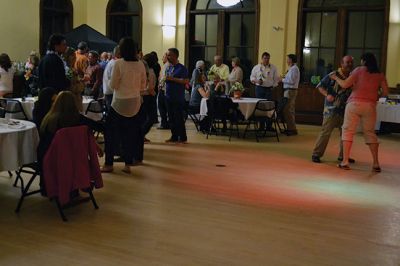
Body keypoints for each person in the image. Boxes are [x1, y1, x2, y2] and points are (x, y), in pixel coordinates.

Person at [330, 53, 388, 172]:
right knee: (370, 133)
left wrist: (335, 78)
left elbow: (345, 84)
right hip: (370, 106)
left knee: (348, 131)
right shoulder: (380, 74)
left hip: (354, 104)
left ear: (364, 61)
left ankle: (345, 161)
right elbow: (385, 93)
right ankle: (376, 164)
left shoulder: (359, 70)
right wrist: (375, 96)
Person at [102, 37, 147, 174]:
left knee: (110, 134)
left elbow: (113, 85)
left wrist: (110, 81)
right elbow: (143, 85)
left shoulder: (119, 63)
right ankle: (128, 164)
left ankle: (109, 163)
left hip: (119, 102)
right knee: (129, 135)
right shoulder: (140, 64)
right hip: (134, 103)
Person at [311, 55, 355, 164]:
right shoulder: (333, 75)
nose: (349, 64)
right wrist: (327, 95)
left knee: (345, 134)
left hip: (346, 110)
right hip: (331, 109)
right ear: (341, 63)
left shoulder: (353, 76)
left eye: (351, 62)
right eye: (347, 62)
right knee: (325, 132)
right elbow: (319, 86)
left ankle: (343, 156)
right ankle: (316, 154)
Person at [165, 48, 189, 143]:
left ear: (175, 56)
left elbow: (186, 81)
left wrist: (172, 79)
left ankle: (183, 137)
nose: (167, 57)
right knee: (170, 118)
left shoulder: (182, 68)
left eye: (169, 55)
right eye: (167, 55)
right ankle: (174, 136)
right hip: (168, 96)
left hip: (177, 97)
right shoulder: (169, 68)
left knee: (178, 118)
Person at [281, 54, 300, 136]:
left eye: (288, 59)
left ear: (291, 60)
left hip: (290, 91)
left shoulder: (294, 69)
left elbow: (291, 81)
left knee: (289, 110)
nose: (287, 61)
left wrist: (281, 79)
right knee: (288, 110)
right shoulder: (292, 68)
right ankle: (290, 128)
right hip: (289, 90)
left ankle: (292, 129)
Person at [141, 53, 158, 143]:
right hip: (148, 96)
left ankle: (141, 135)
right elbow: (149, 87)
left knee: (145, 118)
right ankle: (141, 134)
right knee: (150, 118)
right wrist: (153, 93)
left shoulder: (147, 70)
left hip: (145, 96)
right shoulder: (150, 72)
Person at [103, 45, 120, 111]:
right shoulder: (115, 63)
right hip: (111, 94)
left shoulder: (112, 62)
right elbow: (113, 80)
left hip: (109, 93)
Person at [157, 52, 170, 129]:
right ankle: (165, 123)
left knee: (161, 107)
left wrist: (160, 86)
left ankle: (164, 123)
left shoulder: (166, 66)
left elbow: (163, 78)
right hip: (166, 89)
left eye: (163, 57)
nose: (162, 58)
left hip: (163, 89)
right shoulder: (169, 65)